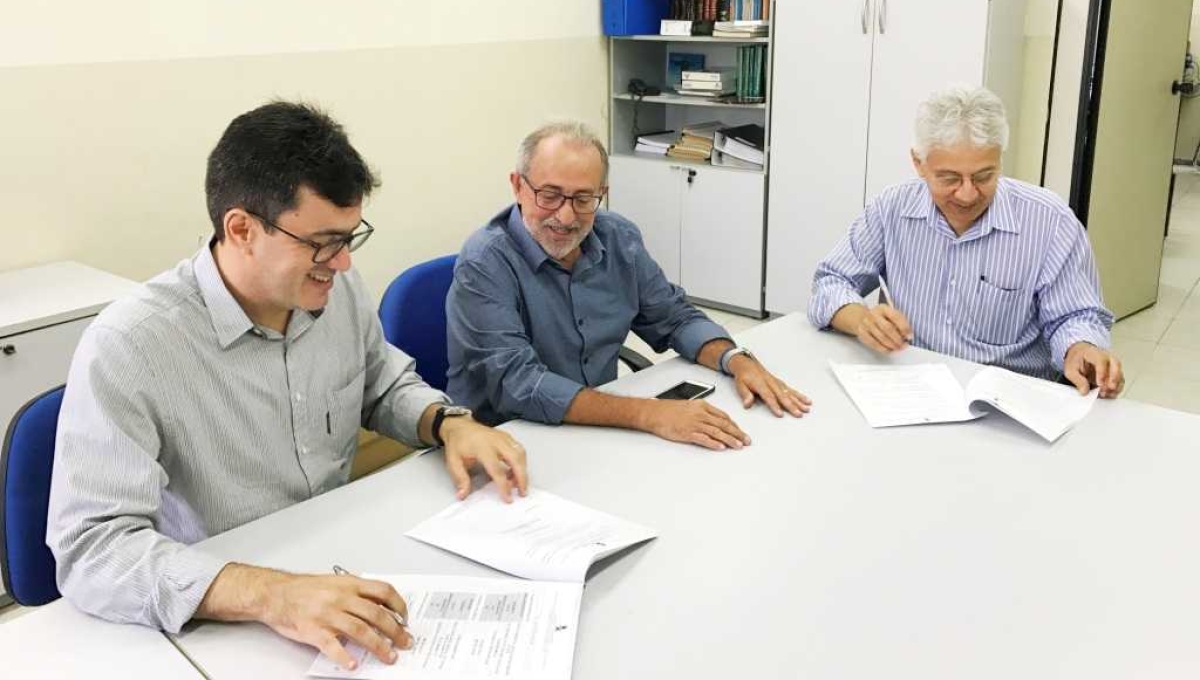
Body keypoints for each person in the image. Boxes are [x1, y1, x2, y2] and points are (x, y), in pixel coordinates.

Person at [48, 102, 528, 671]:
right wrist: (273, 594)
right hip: (221, 615)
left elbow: (380, 382)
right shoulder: (131, 346)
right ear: (242, 229)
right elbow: (91, 549)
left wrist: (447, 422)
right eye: (324, 242)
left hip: (342, 569)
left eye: (351, 238)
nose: (344, 263)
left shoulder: (330, 290)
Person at [446, 121, 811, 449]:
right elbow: (520, 385)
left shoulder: (618, 236)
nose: (566, 216)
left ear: (601, 193)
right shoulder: (484, 262)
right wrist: (649, 414)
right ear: (517, 187)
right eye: (550, 195)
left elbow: (674, 317)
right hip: (506, 442)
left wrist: (736, 360)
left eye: (583, 198)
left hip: (600, 430)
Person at [808, 88, 1123, 398]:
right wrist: (862, 320)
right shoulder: (892, 208)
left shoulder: (1050, 221)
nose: (967, 194)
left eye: (984, 176)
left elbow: (1076, 316)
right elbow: (831, 282)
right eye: (949, 178)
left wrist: (1081, 347)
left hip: (1009, 399)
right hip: (911, 388)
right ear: (918, 163)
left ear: (1000, 160)